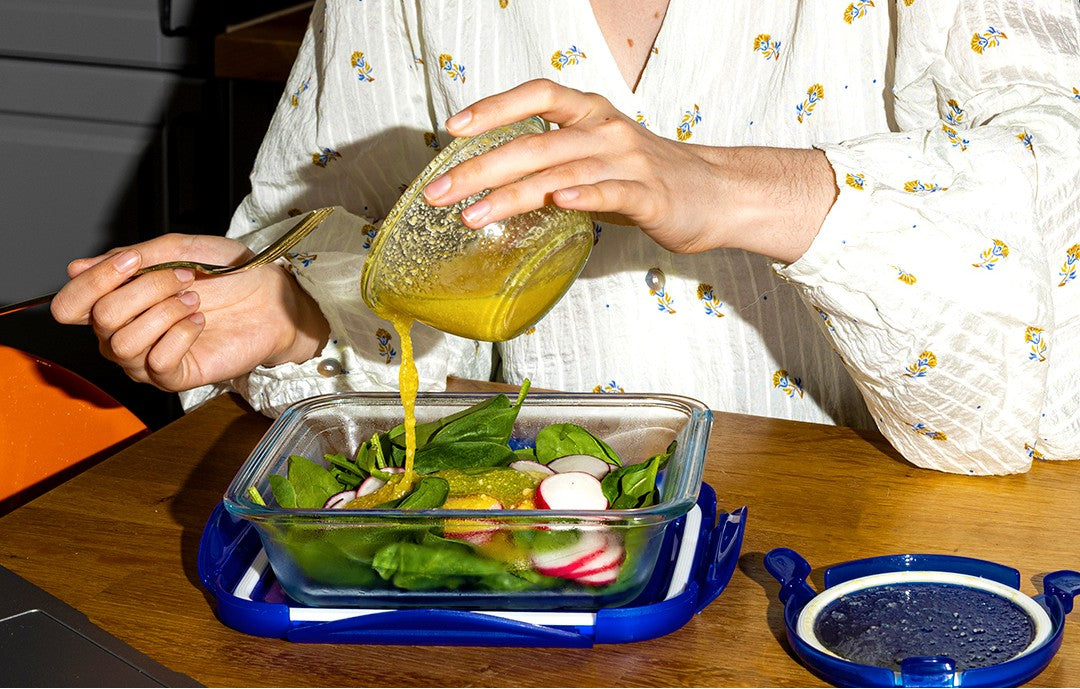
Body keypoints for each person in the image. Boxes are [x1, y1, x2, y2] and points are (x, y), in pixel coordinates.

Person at [51, 0, 1080, 475]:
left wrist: (739, 186)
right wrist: (299, 309)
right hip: (543, 575)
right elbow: (349, 238)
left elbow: (1053, 291)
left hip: (880, 564)